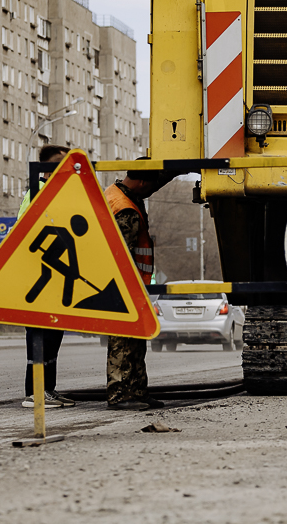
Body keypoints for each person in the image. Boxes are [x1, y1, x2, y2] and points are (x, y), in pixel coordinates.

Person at [104, 160, 173, 410]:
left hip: (127, 285)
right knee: (124, 342)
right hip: (124, 285)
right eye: (151, 186)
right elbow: (122, 255)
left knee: (136, 338)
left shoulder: (116, 193)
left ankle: (136, 391)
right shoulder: (126, 209)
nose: (152, 192)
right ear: (143, 182)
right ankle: (121, 393)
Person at [19, 144, 74, 409]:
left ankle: (48, 390)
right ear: (46, 168)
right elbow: (26, 234)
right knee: (39, 337)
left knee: (53, 336)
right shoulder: (37, 192)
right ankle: (34, 393)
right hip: (39, 278)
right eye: (59, 164)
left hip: (55, 279)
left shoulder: (58, 194)